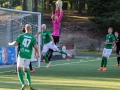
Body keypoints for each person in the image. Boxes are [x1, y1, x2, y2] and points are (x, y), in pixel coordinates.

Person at [8, 24, 39, 90]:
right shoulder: (32, 37)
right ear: (30, 29)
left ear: (25, 28)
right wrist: (37, 53)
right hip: (28, 55)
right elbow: (36, 47)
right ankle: (29, 83)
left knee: (19, 69)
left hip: (21, 54)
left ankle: (23, 84)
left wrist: (10, 43)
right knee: (26, 69)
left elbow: (15, 43)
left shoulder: (21, 36)